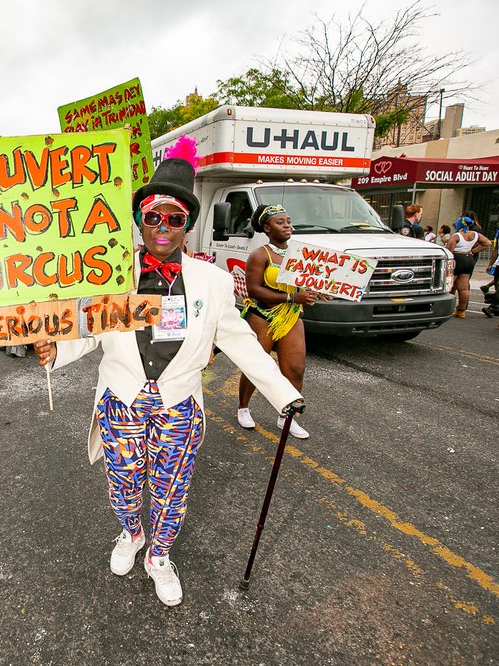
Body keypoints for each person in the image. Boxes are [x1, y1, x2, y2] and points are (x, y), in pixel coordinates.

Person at [32, 152, 303, 608]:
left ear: (187, 224)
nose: (162, 224)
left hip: (179, 405)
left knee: (171, 491)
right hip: (121, 401)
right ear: (139, 220)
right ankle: (132, 534)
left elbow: (239, 341)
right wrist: (57, 349)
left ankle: (160, 556)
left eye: (173, 217)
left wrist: (283, 394)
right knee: (123, 486)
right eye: (152, 215)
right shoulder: (110, 272)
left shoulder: (214, 282)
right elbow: (93, 329)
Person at [236, 204, 327, 439]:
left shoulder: (301, 255)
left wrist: (319, 290)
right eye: (280, 222)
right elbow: (254, 290)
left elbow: (309, 282)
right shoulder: (260, 255)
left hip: (291, 316)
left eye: (288, 220)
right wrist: (292, 297)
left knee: (295, 370)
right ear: (267, 228)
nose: (287, 225)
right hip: (262, 315)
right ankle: (243, 407)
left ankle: (286, 417)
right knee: (257, 365)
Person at [446, 222, 491, 318]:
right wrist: (473, 251)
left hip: (457, 258)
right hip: (469, 259)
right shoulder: (475, 234)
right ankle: (461, 311)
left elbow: (449, 249)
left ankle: (448, 308)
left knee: (449, 285)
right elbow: (487, 243)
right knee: (464, 288)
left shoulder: (456, 236)